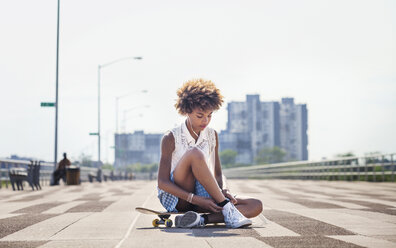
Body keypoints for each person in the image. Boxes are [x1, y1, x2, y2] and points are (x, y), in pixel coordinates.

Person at [157, 78, 263, 228]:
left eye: (210, 115)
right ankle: (227, 209)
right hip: (180, 198)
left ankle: (200, 220)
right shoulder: (171, 137)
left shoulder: (212, 135)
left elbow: (218, 174)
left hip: (204, 197)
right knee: (194, 154)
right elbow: (162, 182)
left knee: (255, 205)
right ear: (187, 111)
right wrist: (196, 200)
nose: (205, 121)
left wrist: (225, 190)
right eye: (200, 116)